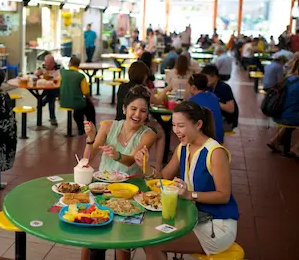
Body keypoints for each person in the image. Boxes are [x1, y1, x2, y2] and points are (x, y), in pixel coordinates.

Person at [134, 101, 238, 260]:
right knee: (148, 234)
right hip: (193, 218)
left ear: (198, 124)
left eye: (181, 126)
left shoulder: (215, 152)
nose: (176, 131)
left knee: (153, 242)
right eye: (174, 125)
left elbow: (224, 195)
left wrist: (189, 194)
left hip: (217, 225)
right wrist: (146, 166)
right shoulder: (183, 147)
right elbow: (162, 178)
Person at [82, 86, 157, 260]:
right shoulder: (108, 126)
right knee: (92, 238)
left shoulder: (148, 135)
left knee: (122, 241)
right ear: (124, 109)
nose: (137, 114)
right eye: (133, 108)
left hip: (129, 193)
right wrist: (91, 138)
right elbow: (86, 159)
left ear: (147, 114)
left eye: (143, 111)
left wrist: (116, 155)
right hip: (103, 189)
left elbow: (131, 160)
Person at [115, 61, 166, 170]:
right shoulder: (143, 90)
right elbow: (157, 101)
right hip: (134, 123)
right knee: (161, 133)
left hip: (119, 120)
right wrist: (167, 89)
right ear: (144, 76)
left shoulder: (121, 86)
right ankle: (158, 166)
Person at [267, 63, 299, 158]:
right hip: (287, 117)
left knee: (293, 115)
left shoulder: (289, 79)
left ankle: (274, 140)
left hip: (277, 114)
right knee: (293, 116)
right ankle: (297, 147)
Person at [59, 56, 95, 135]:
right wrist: (90, 100)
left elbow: (59, 85)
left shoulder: (63, 73)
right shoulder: (81, 76)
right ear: (78, 65)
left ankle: (80, 128)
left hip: (63, 101)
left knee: (79, 107)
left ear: (69, 64)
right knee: (89, 107)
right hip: (76, 102)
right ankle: (91, 128)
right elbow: (86, 92)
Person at [201, 65, 239, 132]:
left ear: (215, 77)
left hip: (227, 121)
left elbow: (231, 109)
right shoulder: (209, 87)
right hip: (217, 118)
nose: (205, 81)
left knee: (204, 130)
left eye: (206, 78)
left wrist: (214, 101)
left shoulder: (224, 88)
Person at [188, 74, 225, 144]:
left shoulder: (192, 101)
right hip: (219, 138)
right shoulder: (213, 96)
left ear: (193, 87)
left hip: (207, 140)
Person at [35, 54, 61, 126]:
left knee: (51, 96)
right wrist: (38, 73)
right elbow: (35, 74)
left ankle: (43, 102)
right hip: (47, 87)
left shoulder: (59, 66)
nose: (47, 66)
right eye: (46, 64)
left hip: (57, 88)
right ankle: (52, 118)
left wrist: (52, 77)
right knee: (51, 97)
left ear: (53, 63)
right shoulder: (42, 66)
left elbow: (61, 77)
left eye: (49, 64)